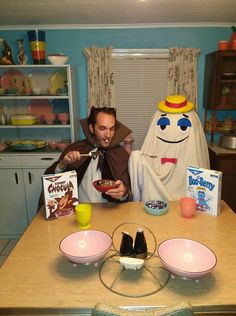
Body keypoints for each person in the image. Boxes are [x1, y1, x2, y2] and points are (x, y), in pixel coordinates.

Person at [40, 107, 132, 206]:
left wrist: (124, 193)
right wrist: (64, 163)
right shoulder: (78, 148)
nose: (108, 135)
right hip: (79, 209)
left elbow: (130, 194)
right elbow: (51, 180)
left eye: (112, 129)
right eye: (102, 128)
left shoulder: (121, 155)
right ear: (92, 128)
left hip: (110, 212)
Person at [129, 95, 210, 202]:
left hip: (186, 173)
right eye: (163, 126)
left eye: (183, 127)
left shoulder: (189, 117)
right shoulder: (192, 117)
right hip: (158, 172)